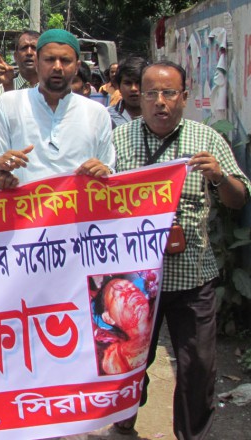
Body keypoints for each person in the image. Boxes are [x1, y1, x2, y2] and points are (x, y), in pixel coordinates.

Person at [112, 61, 250, 439]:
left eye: (169, 93)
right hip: (134, 280)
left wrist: (219, 177)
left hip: (192, 275)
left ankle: (193, 434)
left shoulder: (207, 140)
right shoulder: (118, 140)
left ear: (184, 97)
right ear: (138, 95)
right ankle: (126, 411)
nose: (160, 101)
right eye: (151, 93)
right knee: (127, 360)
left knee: (198, 366)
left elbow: (239, 199)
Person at [0, 29, 115, 190]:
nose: (57, 67)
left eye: (65, 60)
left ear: (77, 67)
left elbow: (109, 169)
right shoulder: (8, 103)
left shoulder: (97, 113)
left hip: (79, 205)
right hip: (24, 205)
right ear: (37, 63)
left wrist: (104, 171)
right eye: (49, 59)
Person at [0, 30, 41, 122]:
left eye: (34, 48)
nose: (29, 52)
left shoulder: (51, 92)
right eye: (24, 48)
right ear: (16, 56)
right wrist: (8, 88)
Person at [108, 56, 148, 129]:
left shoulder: (158, 116)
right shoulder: (107, 116)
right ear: (118, 86)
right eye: (128, 83)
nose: (133, 89)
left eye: (138, 82)